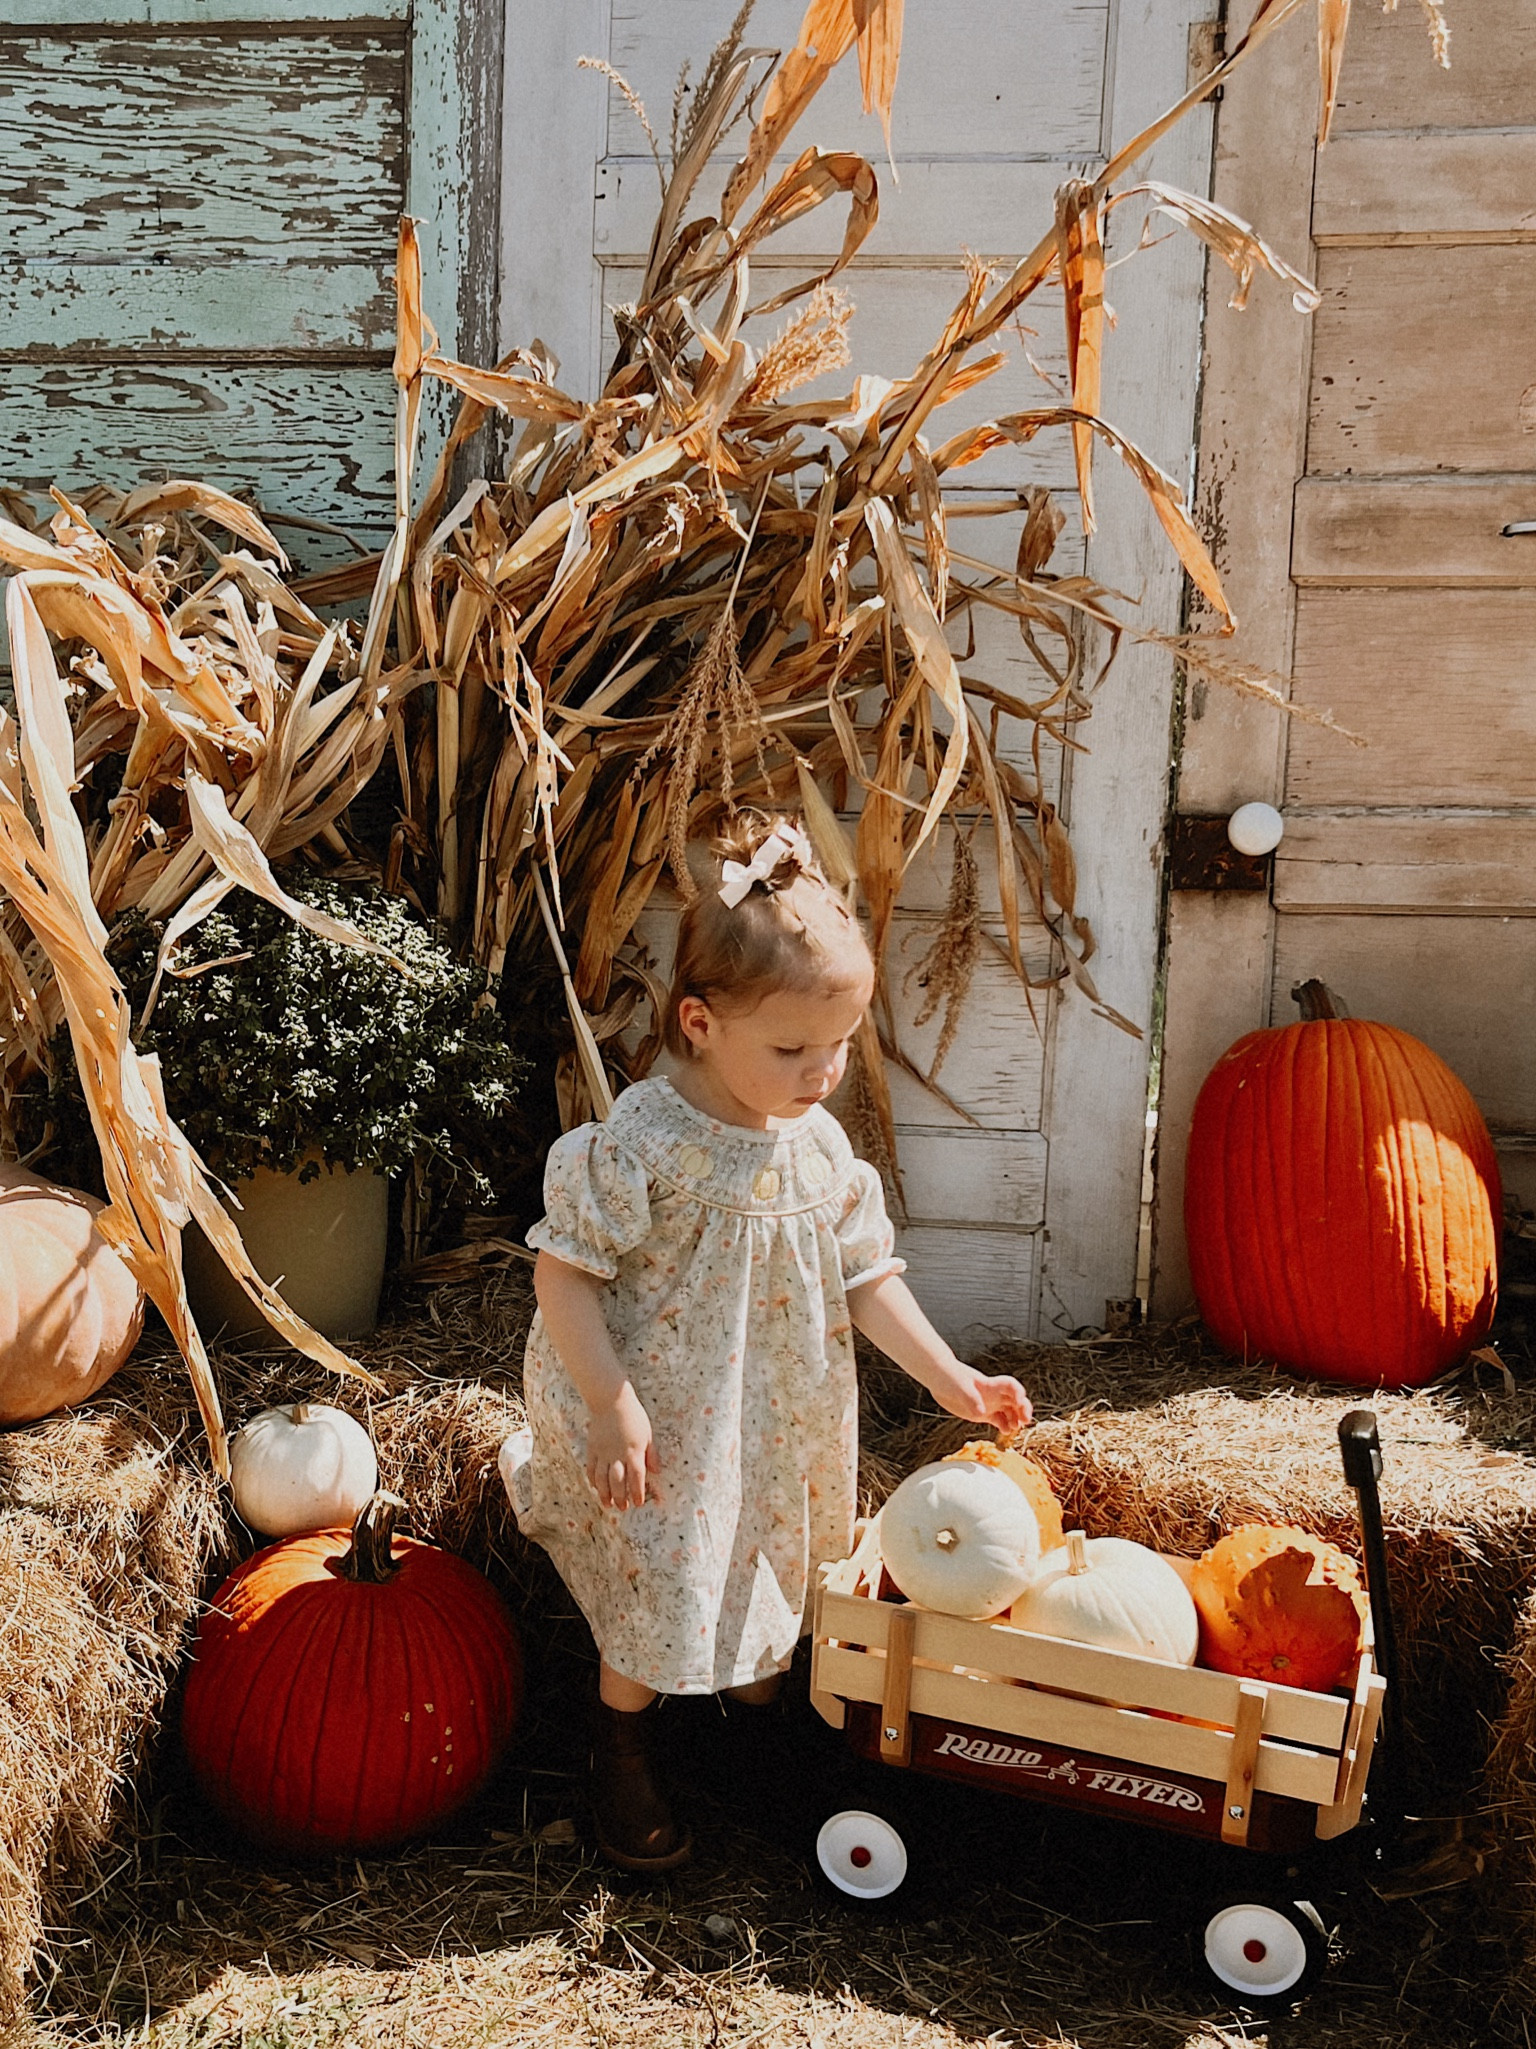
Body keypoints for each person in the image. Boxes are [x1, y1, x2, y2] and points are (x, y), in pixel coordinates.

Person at [514, 812, 1032, 1871]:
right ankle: (620, 1743)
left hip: (773, 1411)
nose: (823, 1070)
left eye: (840, 1044)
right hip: (656, 1410)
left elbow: (866, 1277)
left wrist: (952, 1379)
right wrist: (612, 1405)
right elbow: (562, 1277)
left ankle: (750, 1735)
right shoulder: (642, 1145)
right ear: (699, 1023)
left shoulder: (820, 1146)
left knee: (767, 1570)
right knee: (658, 1579)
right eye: (793, 1048)